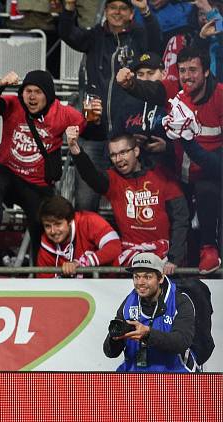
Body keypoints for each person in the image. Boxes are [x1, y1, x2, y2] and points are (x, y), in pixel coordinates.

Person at [117, 46, 223, 273]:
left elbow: (219, 167)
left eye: (193, 70)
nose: (187, 76)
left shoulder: (221, 97)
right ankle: (176, 265)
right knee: (175, 213)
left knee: (207, 190)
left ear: (206, 72)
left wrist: (187, 141)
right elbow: (152, 90)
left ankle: (210, 249)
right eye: (182, 70)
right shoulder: (175, 89)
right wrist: (129, 84)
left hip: (211, 177)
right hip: (179, 174)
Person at [0, 69, 86, 269]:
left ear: (48, 95)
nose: (31, 97)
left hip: (37, 183)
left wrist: (86, 126)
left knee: (41, 222)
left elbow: (92, 128)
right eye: (28, 91)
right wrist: (2, 82)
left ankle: (40, 275)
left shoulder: (63, 113)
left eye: (38, 92)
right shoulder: (14, 105)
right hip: (8, 171)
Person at [59, 0, 162, 211]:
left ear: (131, 14)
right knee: (86, 203)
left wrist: (146, 11)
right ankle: (86, 243)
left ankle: (129, 244)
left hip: (126, 136)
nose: (117, 12)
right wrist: (69, 8)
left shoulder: (139, 36)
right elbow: (67, 33)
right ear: (105, 11)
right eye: (112, 7)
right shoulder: (94, 36)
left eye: (123, 8)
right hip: (93, 133)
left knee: (129, 204)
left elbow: (157, 43)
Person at [67, 128, 190, 274]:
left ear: (136, 151)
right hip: (129, 258)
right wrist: (76, 150)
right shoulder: (113, 179)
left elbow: (181, 219)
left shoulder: (163, 176)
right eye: (113, 155)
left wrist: (174, 258)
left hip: (165, 258)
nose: (118, 159)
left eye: (123, 152)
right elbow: (91, 176)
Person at [103, 252, 197, 372]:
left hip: (174, 375)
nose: (140, 282)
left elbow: (182, 341)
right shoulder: (129, 303)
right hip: (136, 375)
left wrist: (148, 334)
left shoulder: (180, 301)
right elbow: (110, 353)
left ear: (161, 278)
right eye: (136, 277)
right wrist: (115, 339)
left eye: (147, 277)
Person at [36, 195, 121, 278]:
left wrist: (83, 262)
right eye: (47, 226)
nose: (53, 231)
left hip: (110, 285)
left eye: (58, 224)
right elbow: (43, 284)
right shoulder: (46, 245)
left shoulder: (89, 221)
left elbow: (115, 246)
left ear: (70, 221)